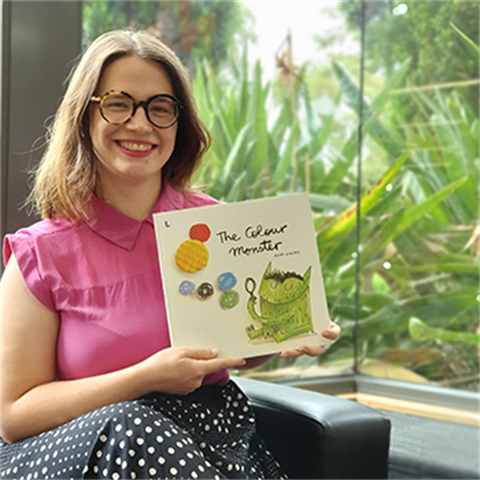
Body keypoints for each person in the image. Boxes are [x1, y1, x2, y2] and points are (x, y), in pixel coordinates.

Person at [0, 30, 341, 479]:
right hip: (75, 451)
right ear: (85, 117)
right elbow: (13, 416)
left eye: (160, 108)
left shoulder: (220, 228)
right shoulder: (41, 252)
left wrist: (279, 339)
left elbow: (226, 345)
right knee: (134, 425)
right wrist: (143, 379)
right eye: (119, 104)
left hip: (210, 439)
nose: (140, 124)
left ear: (179, 125)